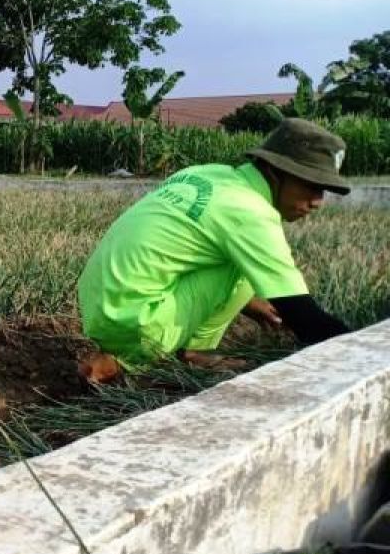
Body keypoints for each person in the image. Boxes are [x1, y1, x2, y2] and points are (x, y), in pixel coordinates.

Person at [77, 119, 352, 382]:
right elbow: (303, 317)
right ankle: (147, 359)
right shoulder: (250, 212)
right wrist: (361, 351)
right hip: (138, 324)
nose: (317, 202)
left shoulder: (206, 174)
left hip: (102, 306)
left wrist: (249, 303)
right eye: (312, 186)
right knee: (243, 262)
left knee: (233, 255)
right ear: (276, 170)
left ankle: (167, 350)